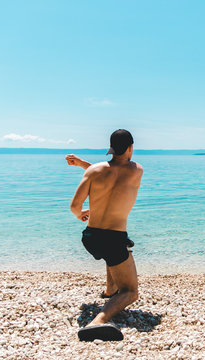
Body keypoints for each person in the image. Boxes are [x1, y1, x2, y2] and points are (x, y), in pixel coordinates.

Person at [66, 129, 143, 341]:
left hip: (90, 237)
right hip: (113, 238)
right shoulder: (137, 170)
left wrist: (81, 214)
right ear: (130, 148)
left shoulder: (93, 171)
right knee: (131, 292)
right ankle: (98, 321)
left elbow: (75, 206)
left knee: (115, 254)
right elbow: (118, 170)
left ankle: (109, 292)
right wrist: (84, 164)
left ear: (110, 148)